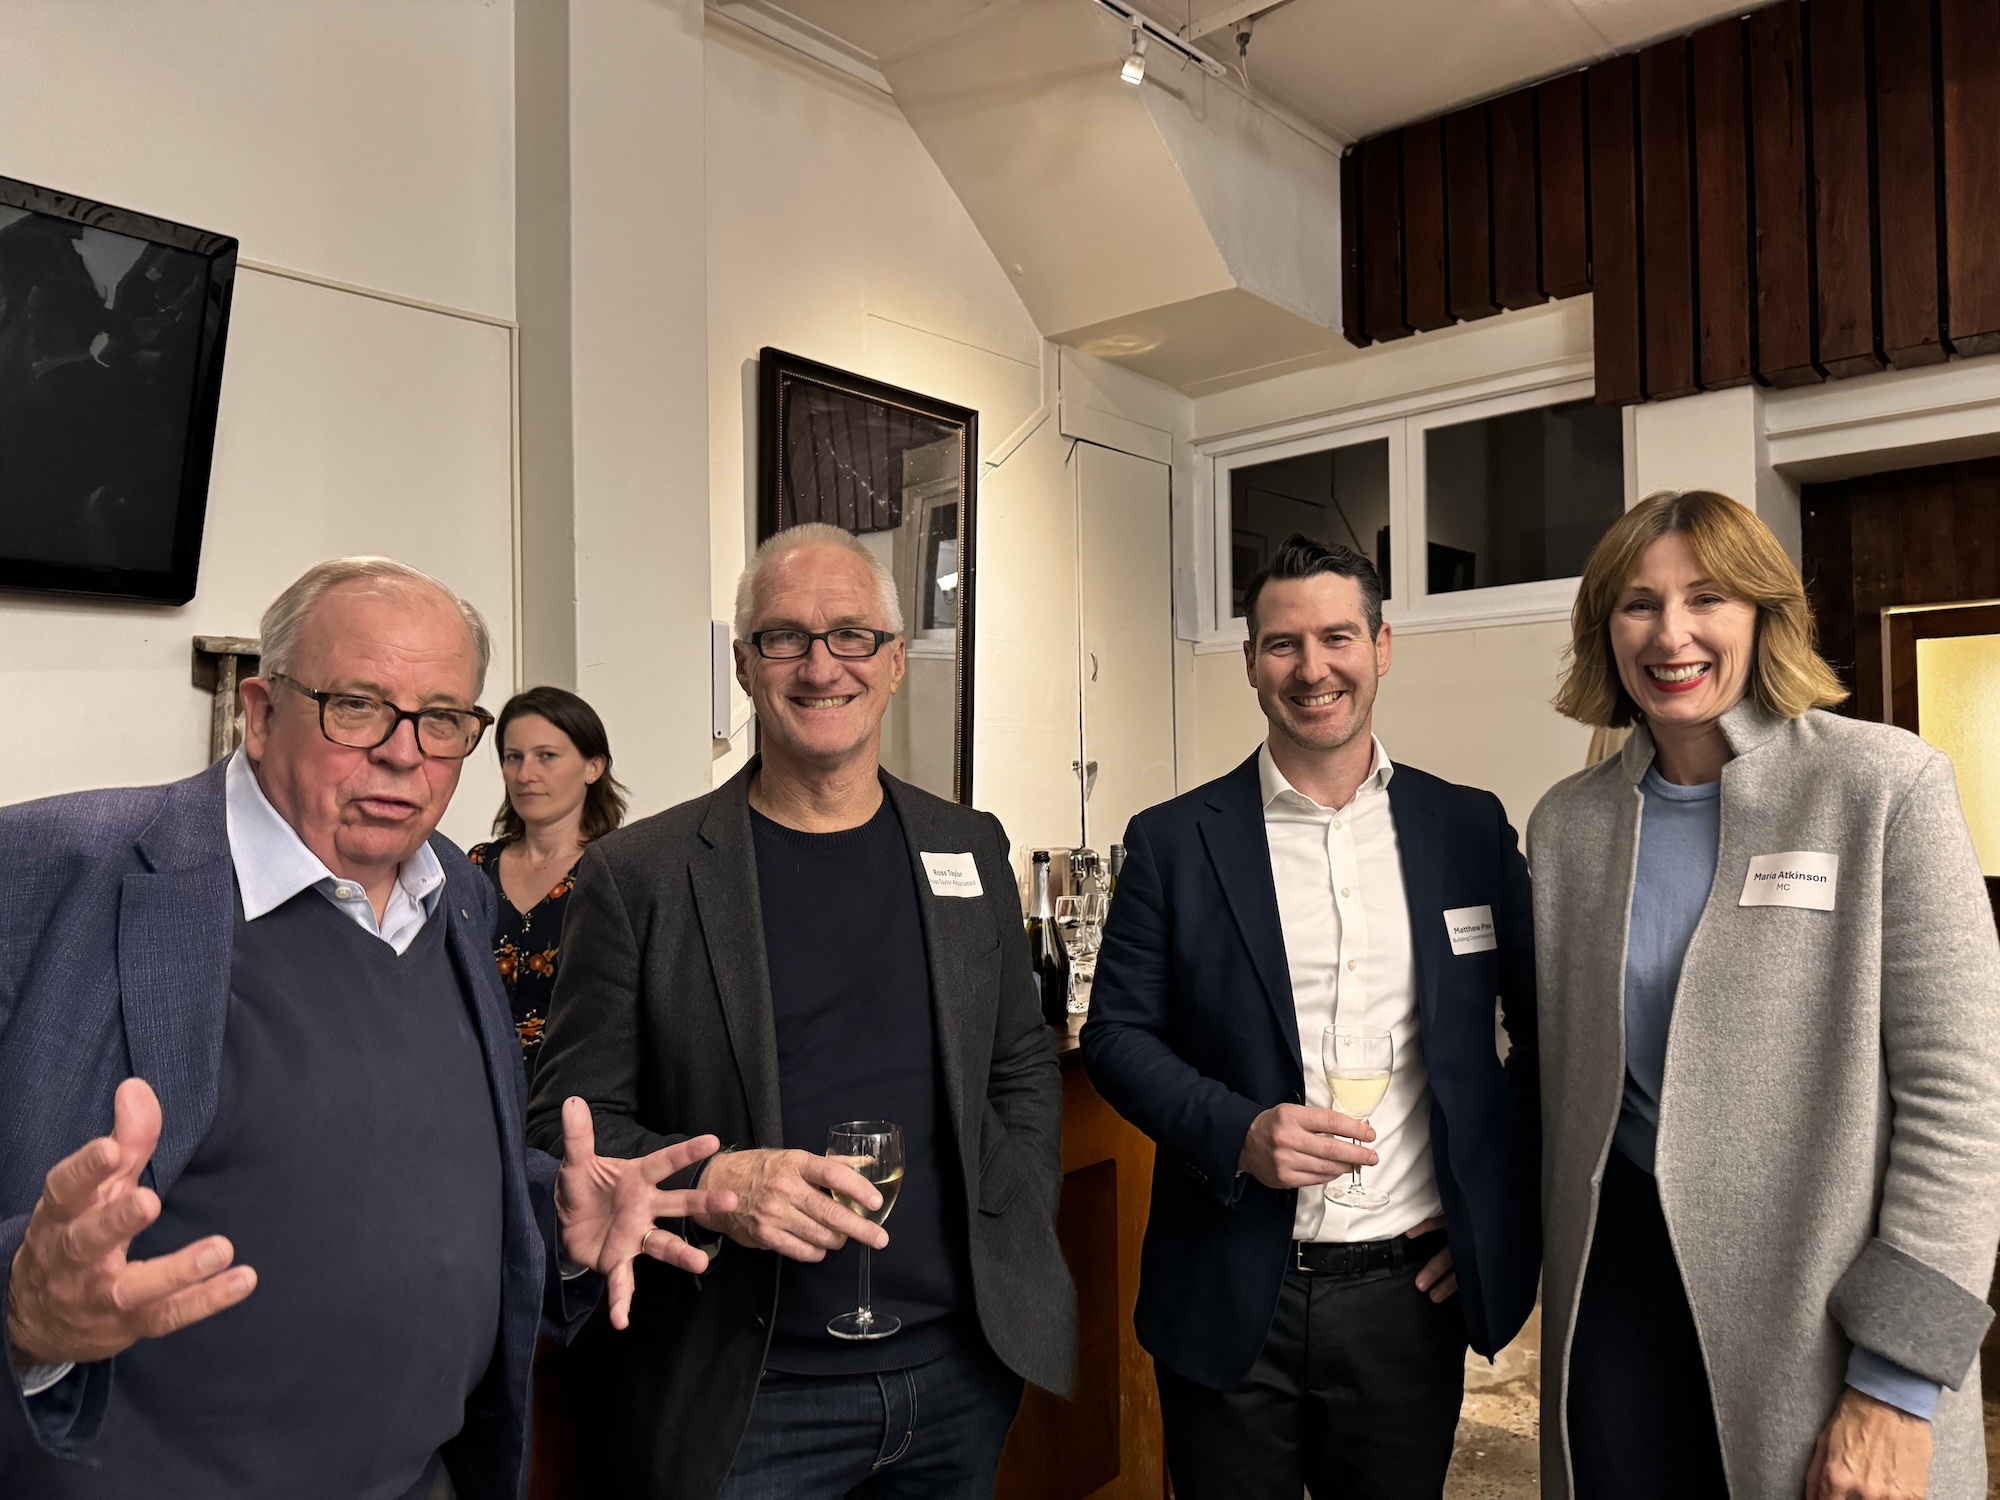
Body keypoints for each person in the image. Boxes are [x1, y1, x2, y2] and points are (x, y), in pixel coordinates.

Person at [0, 557, 733, 1498]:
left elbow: (407, 1161)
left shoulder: (455, 891)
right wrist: (23, 1313)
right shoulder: (54, 869)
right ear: (259, 711)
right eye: (356, 706)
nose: (403, 753)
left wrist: (552, 1213)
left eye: (443, 719)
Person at [527, 521, 1074, 1500]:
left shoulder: (966, 846)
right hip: (750, 1394)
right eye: (785, 638)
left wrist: (1016, 1207)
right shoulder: (638, 876)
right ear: (744, 666)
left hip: (957, 1372)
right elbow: (568, 1123)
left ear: (895, 660)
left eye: (851, 635)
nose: (822, 666)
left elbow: (1017, 1062)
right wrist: (715, 1177)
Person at [1531, 490, 2000, 1500]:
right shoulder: (1567, 826)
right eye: (1638, 604)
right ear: (1604, 629)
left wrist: (1895, 1380)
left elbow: (1960, 1106)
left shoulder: (1882, 786)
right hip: (1614, 1297)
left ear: (1762, 615)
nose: (1671, 635)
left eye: (1707, 598)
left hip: (1821, 1314)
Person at [1081, 533, 1540, 1500]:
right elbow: (1116, 1035)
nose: (1312, 667)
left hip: (1408, 1296)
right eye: (1283, 644)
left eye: (1337, 637)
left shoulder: (1468, 830)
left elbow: (1546, 1036)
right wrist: (1238, 1131)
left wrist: (1491, 1216)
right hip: (1229, 1286)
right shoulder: (1173, 842)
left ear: (1381, 647)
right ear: (1251, 662)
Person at [469, 685, 629, 1087]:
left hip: (583, 1093)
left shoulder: (623, 871)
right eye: (513, 757)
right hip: (479, 1091)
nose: (525, 774)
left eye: (546, 756)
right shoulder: (475, 867)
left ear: (594, 767)